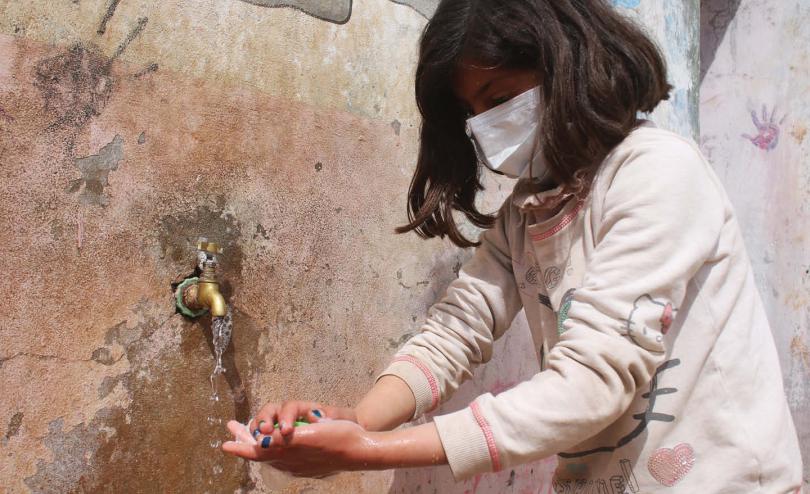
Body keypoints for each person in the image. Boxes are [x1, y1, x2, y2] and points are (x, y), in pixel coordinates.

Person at [222, 0, 804, 491]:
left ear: (563, 60)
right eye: (473, 111)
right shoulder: (526, 212)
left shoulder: (657, 173)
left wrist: (370, 451)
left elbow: (590, 382)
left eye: (498, 96)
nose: (485, 123)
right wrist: (358, 419)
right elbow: (459, 327)